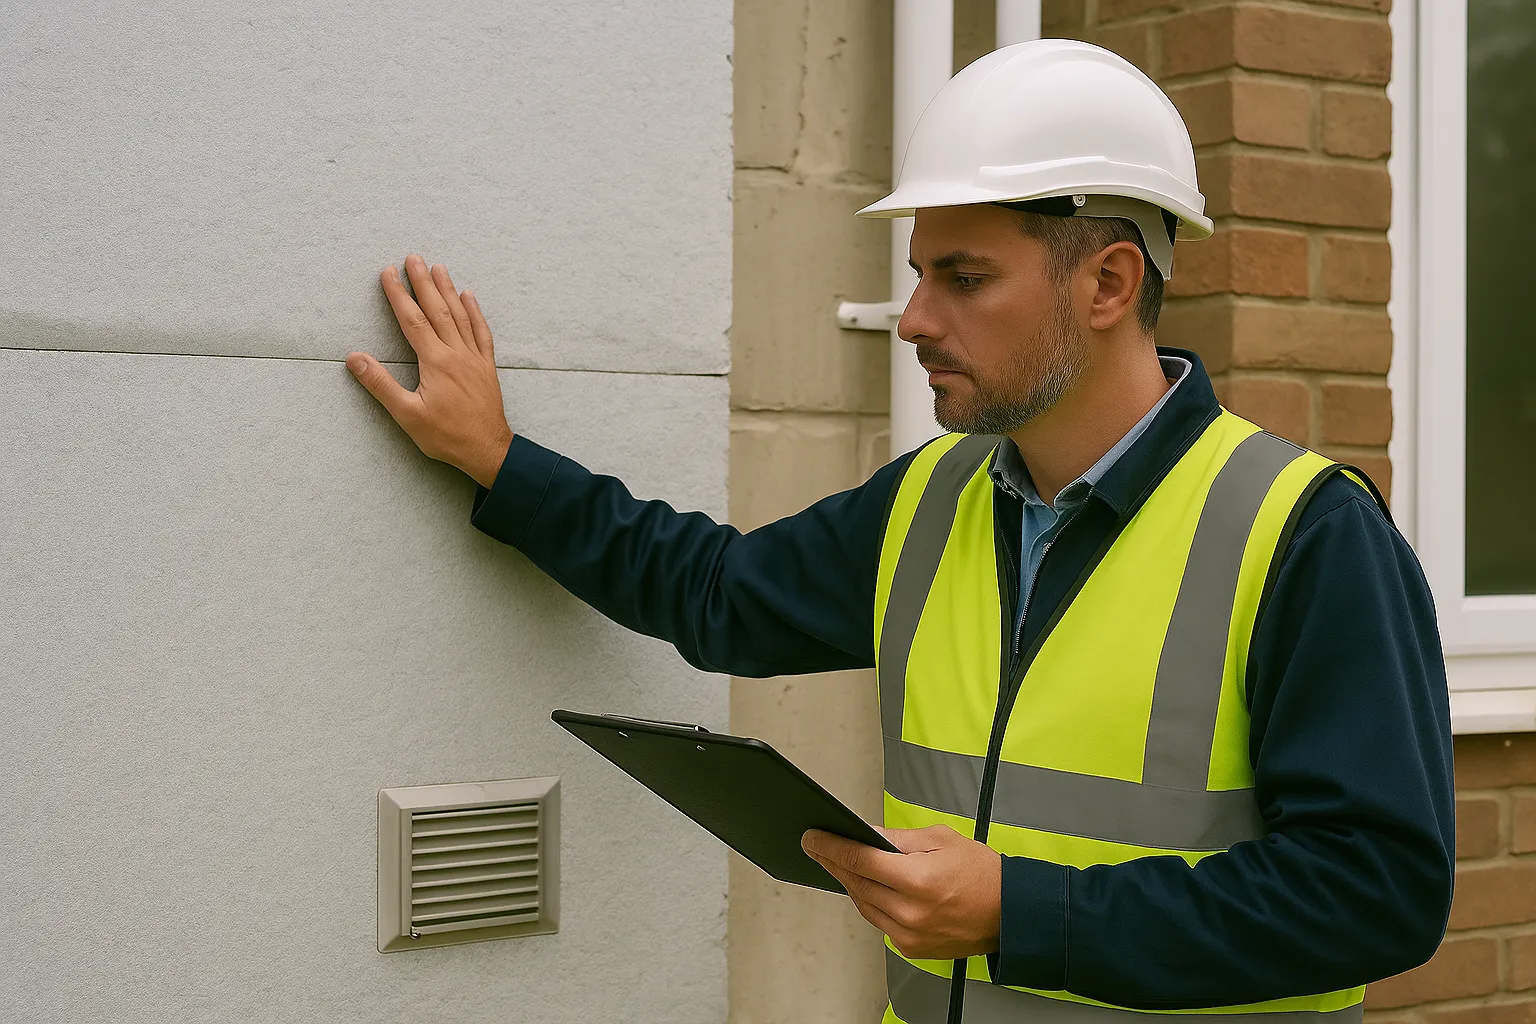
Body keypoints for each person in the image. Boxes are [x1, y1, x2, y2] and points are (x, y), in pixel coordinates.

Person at [344, 39, 1452, 1024]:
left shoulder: (1303, 533)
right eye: (920, 274)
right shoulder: (931, 498)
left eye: (965, 279)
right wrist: (498, 459)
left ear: (1109, 281)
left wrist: (1023, 909)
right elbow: (716, 594)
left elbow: (1376, 892)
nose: (916, 317)